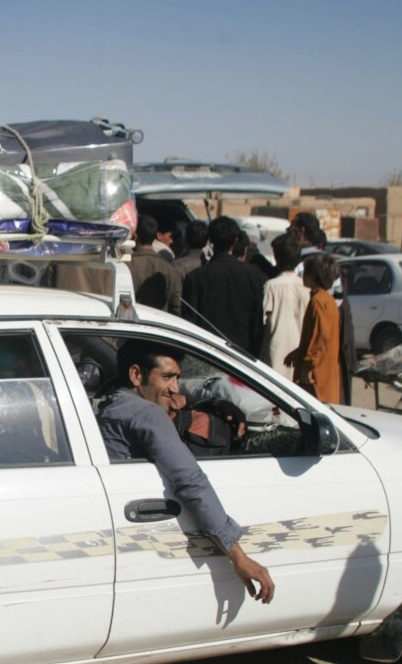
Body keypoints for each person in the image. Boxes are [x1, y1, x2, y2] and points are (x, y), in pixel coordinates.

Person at [97, 340, 274, 603]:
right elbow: (190, 481)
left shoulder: (109, 401)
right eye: (167, 377)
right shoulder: (145, 414)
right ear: (136, 374)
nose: (175, 388)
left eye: (178, 378)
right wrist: (238, 555)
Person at [182, 217, 267, 357]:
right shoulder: (255, 276)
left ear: (210, 241)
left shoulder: (196, 277)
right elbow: (257, 324)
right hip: (243, 356)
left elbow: (189, 323)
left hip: (207, 355)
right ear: (235, 241)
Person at [287, 254, 342, 404]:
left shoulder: (319, 301)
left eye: (306, 272)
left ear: (314, 276)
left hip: (318, 374)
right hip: (320, 368)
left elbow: (321, 338)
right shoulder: (325, 300)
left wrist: (309, 366)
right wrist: (298, 353)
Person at [260, 234, 309, 380]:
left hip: (276, 358)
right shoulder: (306, 287)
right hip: (300, 355)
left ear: (277, 258)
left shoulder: (271, 286)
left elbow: (263, 320)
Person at [128, 214, 183, 315]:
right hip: (159, 326)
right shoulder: (171, 270)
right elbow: (176, 308)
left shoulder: (125, 266)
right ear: (155, 236)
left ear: (135, 236)